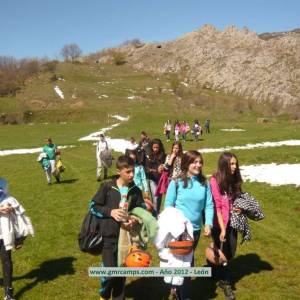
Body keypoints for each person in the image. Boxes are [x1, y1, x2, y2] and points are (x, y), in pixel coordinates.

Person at [90, 156, 147, 300]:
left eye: (133, 171)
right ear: (118, 171)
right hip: (108, 237)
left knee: (121, 274)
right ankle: (104, 294)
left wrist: (134, 219)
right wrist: (111, 212)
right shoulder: (108, 187)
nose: (132, 175)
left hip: (126, 239)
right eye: (128, 172)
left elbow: (142, 210)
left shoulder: (135, 190)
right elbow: (93, 207)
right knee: (110, 273)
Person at [164, 150, 214, 299]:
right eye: (195, 162)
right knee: (184, 263)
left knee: (184, 261)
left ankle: (176, 288)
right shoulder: (176, 182)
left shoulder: (204, 183)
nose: (198, 165)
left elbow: (209, 205)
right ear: (187, 164)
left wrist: (208, 223)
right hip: (179, 230)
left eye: (200, 162)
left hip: (196, 231)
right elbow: (168, 204)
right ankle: (183, 294)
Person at [209, 152, 243, 300]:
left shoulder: (234, 178)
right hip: (219, 222)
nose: (235, 167)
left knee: (231, 250)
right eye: (232, 164)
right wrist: (222, 228)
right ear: (224, 165)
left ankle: (212, 264)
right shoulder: (214, 180)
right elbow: (216, 205)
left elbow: (236, 197)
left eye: (236, 164)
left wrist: (238, 208)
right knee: (225, 254)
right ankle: (226, 283)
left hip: (232, 221)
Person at [0, 178, 34, 300]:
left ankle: (8, 292)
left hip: (4, 236)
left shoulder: (9, 200)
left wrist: (19, 239)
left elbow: (21, 221)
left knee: (6, 260)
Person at [145, 139, 166, 216]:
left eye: (157, 147)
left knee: (159, 198)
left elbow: (166, 166)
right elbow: (146, 169)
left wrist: (163, 167)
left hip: (161, 180)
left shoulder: (163, 156)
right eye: (154, 147)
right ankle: (155, 215)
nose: (156, 149)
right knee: (155, 197)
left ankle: (156, 213)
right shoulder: (149, 156)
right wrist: (155, 170)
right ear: (151, 147)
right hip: (152, 180)